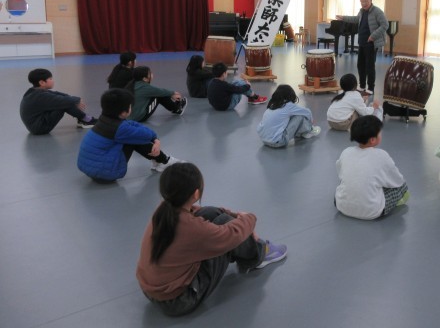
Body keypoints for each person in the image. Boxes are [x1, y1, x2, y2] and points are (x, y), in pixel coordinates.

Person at [136, 162, 287, 316]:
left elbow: (198, 211)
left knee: (210, 213)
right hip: (178, 300)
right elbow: (232, 234)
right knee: (226, 227)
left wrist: (234, 215)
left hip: (151, 290)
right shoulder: (192, 228)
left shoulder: (164, 209)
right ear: (196, 194)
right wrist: (250, 218)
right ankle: (259, 254)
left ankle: (251, 247)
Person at [77, 89, 183, 182]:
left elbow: (131, 124)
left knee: (132, 135)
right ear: (124, 112)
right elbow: (144, 135)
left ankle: (158, 161)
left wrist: (154, 138)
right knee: (134, 139)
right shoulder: (120, 128)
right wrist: (156, 139)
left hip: (90, 169)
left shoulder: (105, 119)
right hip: (105, 174)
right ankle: (164, 161)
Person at [335, 115, 409, 220]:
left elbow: (340, 174)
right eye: (380, 132)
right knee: (402, 186)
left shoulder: (346, 152)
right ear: (373, 140)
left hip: (341, 206)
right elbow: (397, 180)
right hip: (372, 211)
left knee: (345, 183)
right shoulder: (381, 155)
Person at [336, 0, 388, 94]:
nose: (364, 3)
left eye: (366, 1)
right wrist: (343, 18)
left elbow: (385, 25)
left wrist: (373, 36)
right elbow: (356, 19)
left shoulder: (377, 11)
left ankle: (371, 88)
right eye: (362, 1)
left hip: (371, 43)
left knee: (370, 66)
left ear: (370, 1)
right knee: (360, 65)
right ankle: (362, 86)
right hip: (362, 42)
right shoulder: (361, 11)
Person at [19, 68, 97, 135]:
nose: (53, 81)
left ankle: (83, 119)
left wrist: (74, 100)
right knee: (64, 104)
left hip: (36, 124)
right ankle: (87, 120)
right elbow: (63, 100)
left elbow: (57, 94)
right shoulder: (40, 96)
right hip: (40, 129)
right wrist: (77, 100)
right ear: (42, 82)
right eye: (50, 79)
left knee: (64, 101)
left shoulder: (35, 91)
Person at [257, 84, 321, 148]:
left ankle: (301, 133)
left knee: (288, 116)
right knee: (299, 116)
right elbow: (307, 112)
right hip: (278, 142)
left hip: (264, 140)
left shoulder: (272, 105)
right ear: (290, 95)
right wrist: (311, 121)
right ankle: (310, 130)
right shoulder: (288, 105)